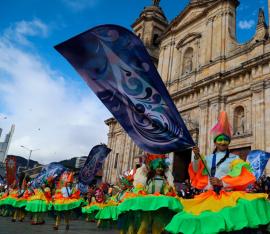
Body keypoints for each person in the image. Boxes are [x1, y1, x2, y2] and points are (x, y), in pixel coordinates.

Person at [165, 111, 270, 234]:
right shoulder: (207, 159)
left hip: (227, 196)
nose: (223, 142)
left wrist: (222, 182)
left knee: (229, 223)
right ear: (215, 142)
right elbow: (196, 171)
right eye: (220, 139)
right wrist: (196, 157)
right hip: (209, 196)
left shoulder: (235, 159)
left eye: (225, 140)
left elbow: (242, 177)